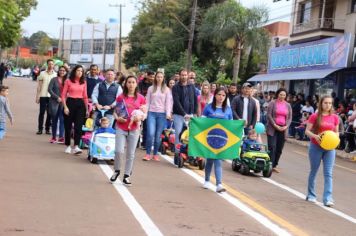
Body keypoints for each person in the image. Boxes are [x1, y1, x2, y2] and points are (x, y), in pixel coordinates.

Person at [110, 75, 147, 185]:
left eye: (133, 82)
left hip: (134, 128)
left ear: (136, 84)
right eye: (129, 82)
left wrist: (140, 117)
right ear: (125, 84)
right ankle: (117, 170)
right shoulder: (121, 97)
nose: (131, 84)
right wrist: (117, 118)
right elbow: (115, 112)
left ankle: (126, 175)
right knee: (118, 151)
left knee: (130, 154)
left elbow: (145, 113)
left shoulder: (141, 98)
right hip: (121, 127)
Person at [305, 95, 339, 207]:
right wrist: (315, 136)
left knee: (328, 173)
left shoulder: (335, 117)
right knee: (314, 171)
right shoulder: (315, 116)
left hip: (330, 148)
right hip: (316, 147)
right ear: (321, 104)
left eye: (330, 103)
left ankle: (328, 198)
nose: (328, 105)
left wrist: (336, 140)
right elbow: (307, 131)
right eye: (325, 103)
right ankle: (311, 195)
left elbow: (336, 132)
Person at [202, 87, 233, 193]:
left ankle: (219, 184)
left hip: (221, 140)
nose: (221, 97)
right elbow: (202, 122)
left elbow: (231, 125)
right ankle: (206, 180)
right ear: (215, 95)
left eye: (223, 95)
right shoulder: (208, 107)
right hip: (210, 139)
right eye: (219, 94)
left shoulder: (228, 109)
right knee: (210, 160)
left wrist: (241, 124)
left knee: (218, 161)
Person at [144, 71, 173, 161]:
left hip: (162, 114)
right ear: (155, 78)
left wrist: (168, 114)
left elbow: (168, 103)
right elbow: (147, 101)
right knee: (150, 133)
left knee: (157, 136)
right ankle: (148, 153)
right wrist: (145, 113)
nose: (159, 78)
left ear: (163, 78)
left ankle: (155, 153)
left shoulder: (167, 89)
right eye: (158, 77)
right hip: (151, 113)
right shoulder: (150, 88)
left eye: (161, 77)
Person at [172, 69, 198, 165]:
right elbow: (177, 101)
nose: (184, 77)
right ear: (179, 76)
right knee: (179, 135)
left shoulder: (191, 86)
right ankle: (177, 154)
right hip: (179, 115)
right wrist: (184, 114)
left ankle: (191, 155)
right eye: (182, 75)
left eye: (185, 75)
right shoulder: (175, 87)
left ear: (188, 76)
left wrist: (194, 112)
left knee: (191, 135)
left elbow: (195, 100)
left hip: (190, 114)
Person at [61, 65, 88, 155]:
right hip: (70, 103)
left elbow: (85, 96)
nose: (80, 72)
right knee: (68, 126)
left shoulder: (83, 82)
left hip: (80, 104)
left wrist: (87, 109)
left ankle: (76, 146)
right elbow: (63, 95)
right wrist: (65, 107)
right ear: (74, 71)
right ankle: (68, 145)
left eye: (81, 71)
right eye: (78, 70)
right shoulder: (68, 81)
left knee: (78, 127)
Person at [266, 88, 292, 173]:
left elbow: (289, 118)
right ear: (277, 94)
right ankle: (269, 164)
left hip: (283, 129)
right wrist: (274, 125)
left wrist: (286, 126)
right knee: (272, 146)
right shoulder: (272, 103)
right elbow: (269, 115)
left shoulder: (288, 105)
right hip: (273, 128)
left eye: (284, 95)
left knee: (279, 148)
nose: (282, 96)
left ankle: (274, 165)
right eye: (281, 94)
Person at [35, 59, 56, 135]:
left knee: (50, 113)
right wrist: (37, 96)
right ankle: (40, 129)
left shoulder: (55, 75)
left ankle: (47, 129)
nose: (51, 65)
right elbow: (39, 86)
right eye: (49, 64)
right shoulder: (42, 73)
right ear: (47, 65)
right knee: (41, 113)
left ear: (54, 65)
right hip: (43, 95)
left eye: (52, 64)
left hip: (51, 97)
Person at [48, 66, 67, 144]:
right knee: (54, 120)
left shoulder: (67, 80)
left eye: (63, 70)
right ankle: (53, 137)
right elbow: (49, 89)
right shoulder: (54, 79)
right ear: (58, 71)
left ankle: (61, 137)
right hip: (54, 102)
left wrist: (64, 98)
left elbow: (69, 91)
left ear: (66, 72)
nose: (62, 72)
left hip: (64, 103)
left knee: (62, 120)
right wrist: (57, 97)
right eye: (60, 70)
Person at [138, 70, 154, 149]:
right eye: (151, 76)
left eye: (153, 77)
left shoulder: (154, 84)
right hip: (140, 106)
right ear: (147, 76)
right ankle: (136, 142)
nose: (152, 78)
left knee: (146, 126)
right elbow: (138, 93)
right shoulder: (140, 83)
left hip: (149, 107)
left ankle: (144, 144)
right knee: (138, 124)